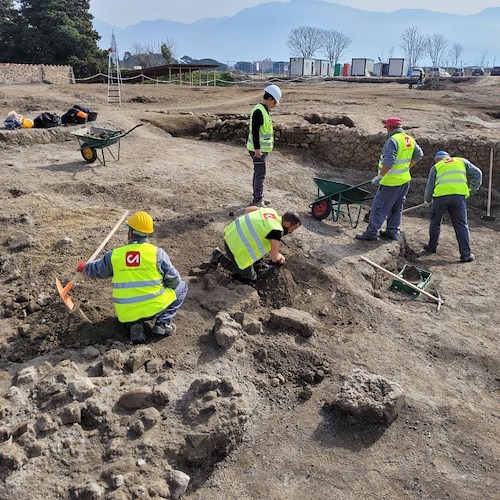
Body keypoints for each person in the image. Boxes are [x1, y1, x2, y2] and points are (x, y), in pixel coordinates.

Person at [77, 211, 187, 344]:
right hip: (154, 308)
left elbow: (97, 270)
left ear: (130, 232)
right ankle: (162, 324)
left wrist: (84, 267)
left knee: (131, 302)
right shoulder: (157, 253)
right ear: (148, 233)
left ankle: (135, 325)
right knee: (182, 286)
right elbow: (174, 280)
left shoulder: (115, 255)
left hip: (126, 312)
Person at [356, 116, 423, 241]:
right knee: (396, 207)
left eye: (387, 128)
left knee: (379, 207)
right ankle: (392, 231)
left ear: (391, 127)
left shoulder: (393, 140)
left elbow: (388, 162)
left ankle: (371, 233)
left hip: (391, 182)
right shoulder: (409, 139)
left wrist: (380, 176)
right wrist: (406, 168)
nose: (386, 130)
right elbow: (419, 155)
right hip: (404, 181)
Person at [210, 206, 301, 284]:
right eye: (293, 229)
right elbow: (274, 257)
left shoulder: (270, 212)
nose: (292, 232)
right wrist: (280, 257)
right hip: (234, 247)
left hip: (231, 235)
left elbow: (248, 209)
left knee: (258, 259)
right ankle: (218, 256)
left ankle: (255, 263)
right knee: (249, 279)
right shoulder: (277, 230)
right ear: (288, 224)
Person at [423, 151, 482, 262]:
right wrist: (472, 190)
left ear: (436, 159)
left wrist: (427, 200)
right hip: (458, 197)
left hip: (440, 197)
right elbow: (477, 173)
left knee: (435, 222)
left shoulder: (436, 167)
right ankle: (466, 254)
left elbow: (429, 187)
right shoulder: (461, 161)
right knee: (461, 225)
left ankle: (432, 247)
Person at [247, 84, 282, 207]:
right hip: (258, 150)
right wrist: (257, 150)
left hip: (261, 149)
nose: (275, 105)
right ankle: (258, 200)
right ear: (270, 99)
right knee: (260, 174)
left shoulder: (264, 110)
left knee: (258, 173)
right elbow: (255, 132)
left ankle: (258, 196)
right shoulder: (258, 111)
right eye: (275, 102)